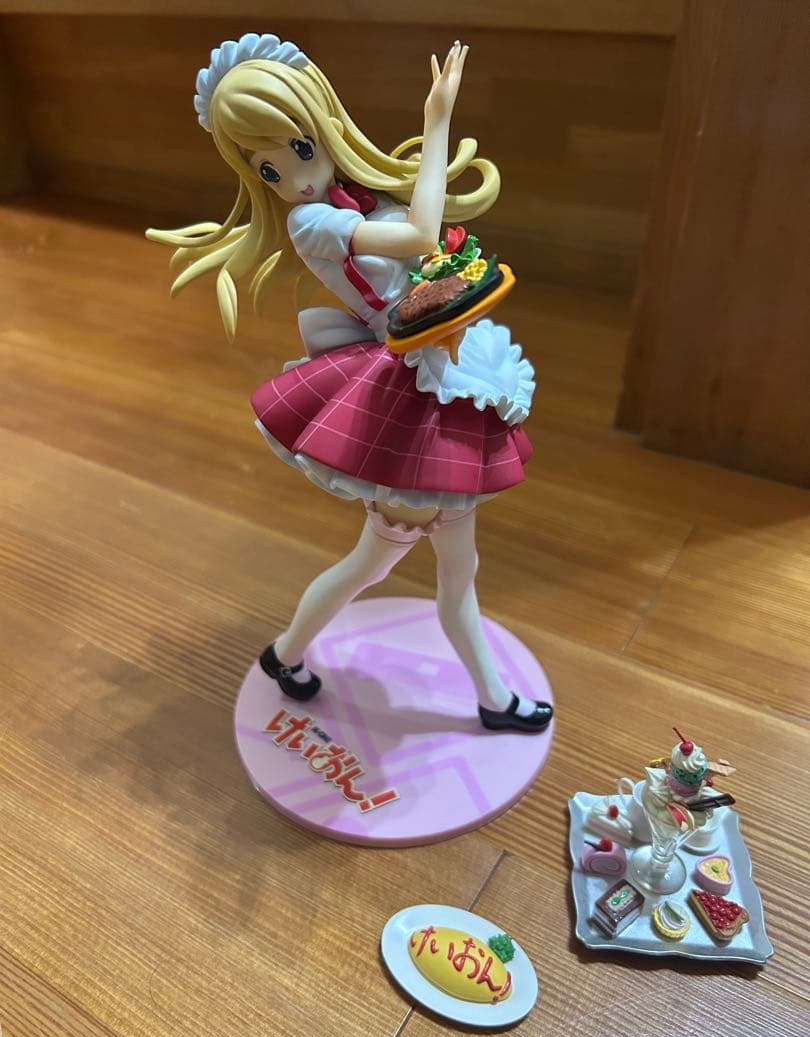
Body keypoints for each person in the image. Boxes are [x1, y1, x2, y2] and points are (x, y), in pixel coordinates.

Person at [147, 34, 552, 733]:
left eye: (299, 150)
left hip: (440, 375)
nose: (294, 180)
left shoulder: (360, 195)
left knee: (434, 569)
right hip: (414, 396)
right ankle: (302, 657)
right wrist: (436, 122)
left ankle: (477, 698)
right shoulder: (313, 221)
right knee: (382, 563)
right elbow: (422, 236)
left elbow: (432, 252)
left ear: (325, 128)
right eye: (268, 170)